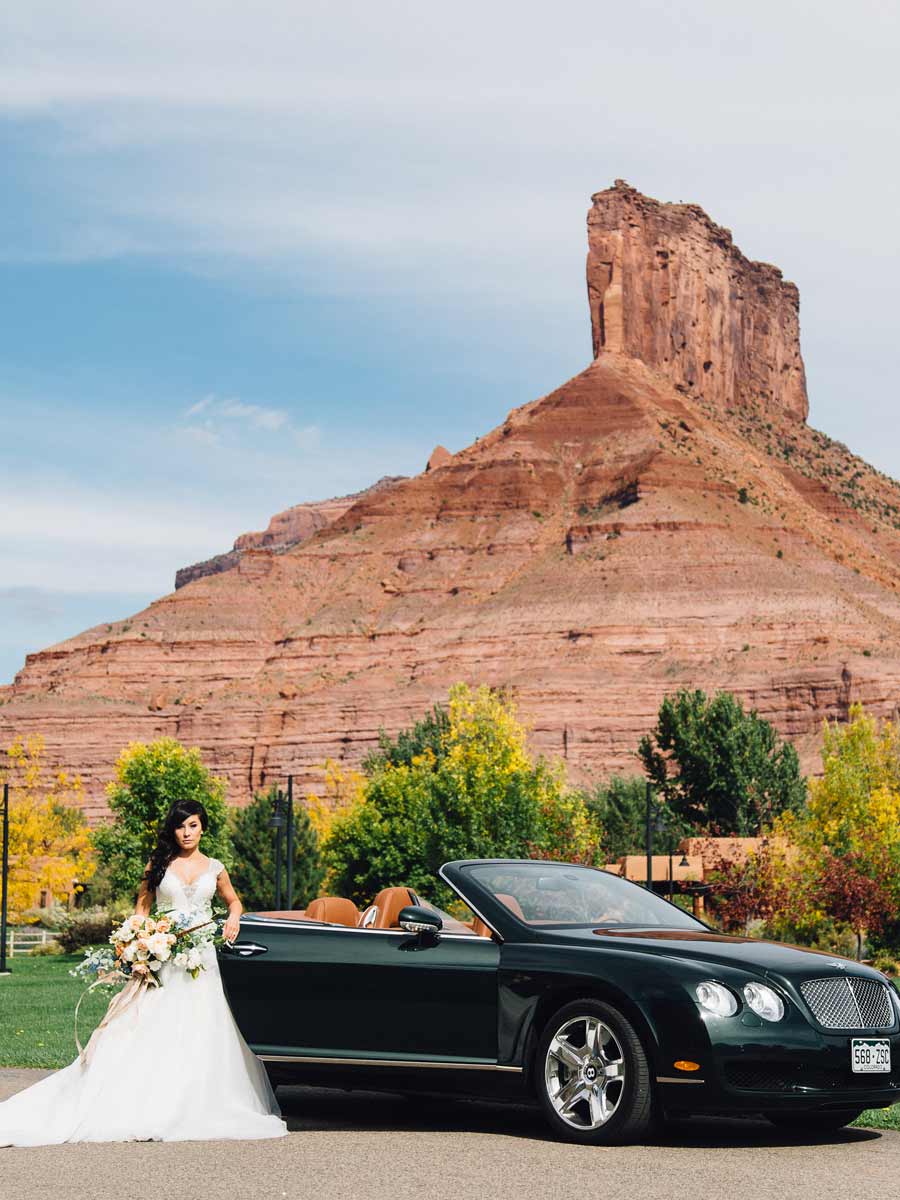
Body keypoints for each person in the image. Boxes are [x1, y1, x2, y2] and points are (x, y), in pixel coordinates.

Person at [0, 799, 287, 1146]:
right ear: (174, 829)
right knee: (154, 1022)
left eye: (193, 825)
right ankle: (144, 1098)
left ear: (203, 827)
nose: (187, 832)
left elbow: (233, 901)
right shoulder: (159, 863)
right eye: (181, 826)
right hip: (164, 954)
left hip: (203, 958)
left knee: (203, 1024)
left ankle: (196, 1100)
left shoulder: (215, 866)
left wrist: (234, 918)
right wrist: (139, 944)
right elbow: (142, 907)